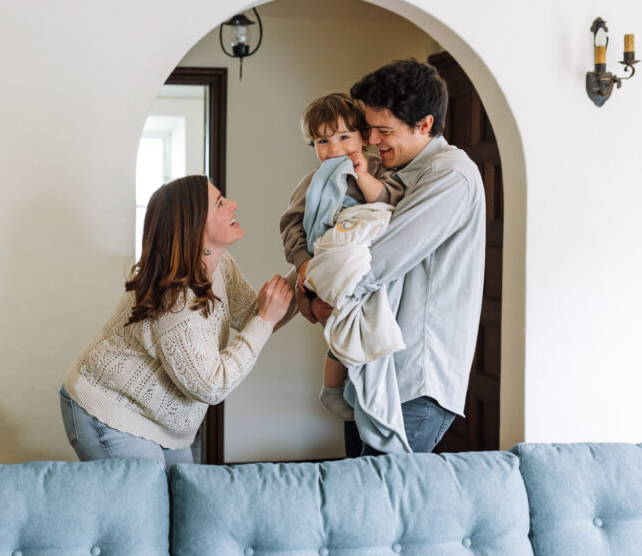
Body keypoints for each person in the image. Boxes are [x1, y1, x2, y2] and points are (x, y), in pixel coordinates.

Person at [302, 59, 486, 456]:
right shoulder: (396, 172)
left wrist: (314, 295)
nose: (372, 139)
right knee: (361, 498)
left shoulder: (450, 176)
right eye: (369, 128)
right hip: (370, 368)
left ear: (424, 124)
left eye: (384, 131)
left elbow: (378, 260)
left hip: (413, 379)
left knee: (383, 508)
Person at [61, 174, 294, 467]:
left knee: (180, 502)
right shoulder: (175, 303)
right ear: (195, 229)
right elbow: (212, 384)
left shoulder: (220, 266)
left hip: (164, 423)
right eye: (220, 203)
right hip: (109, 410)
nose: (233, 205)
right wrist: (265, 319)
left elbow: (255, 314)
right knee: (144, 511)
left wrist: (311, 269)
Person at [279, 93, 403, 422]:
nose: (335, 149)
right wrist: (304, 263)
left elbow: (389, 199)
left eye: (345, 137)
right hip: (324, 262)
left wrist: (362, 175)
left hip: (362, 260)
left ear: (364, 136)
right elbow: (291, 225)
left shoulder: (377, 169)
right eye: (323, 141)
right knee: (336, 320)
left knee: (358, 322)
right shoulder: (311, 184)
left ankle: (352, 387)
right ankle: (332, 389)